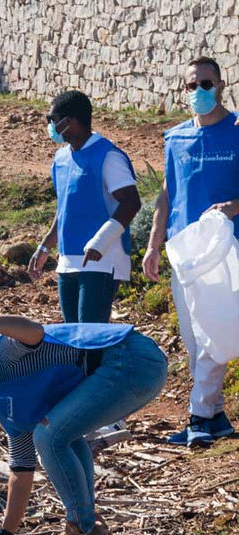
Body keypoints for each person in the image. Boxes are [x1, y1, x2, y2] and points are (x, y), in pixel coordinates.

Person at [0, 298, 167, 535]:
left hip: (128, 359)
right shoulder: (10, 411)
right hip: (134, 368)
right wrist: (5, 533)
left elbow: (34, 333)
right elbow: (21, 472)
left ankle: (83, 528)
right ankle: (88, 523)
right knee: (63, 436)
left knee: (49, 436)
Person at [143, 56, 239, 447]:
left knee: (212, 330)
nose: (198, 91)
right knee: (193, 338)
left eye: (206, 83)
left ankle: (198, 417)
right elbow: (166, 194)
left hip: (224, 250)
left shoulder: (237, 131)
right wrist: (153, 243)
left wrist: (233, 207)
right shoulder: (175, 138)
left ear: (220, 85)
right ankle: (216, 417)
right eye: (191, 85)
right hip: (183, 251)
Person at [28, 90, 141, 323]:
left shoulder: (108, 156)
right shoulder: (61, 159)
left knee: (90, 338)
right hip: (68, 262)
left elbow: (131, 202)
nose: (50, 126)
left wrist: (101, 241)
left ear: (69, 121)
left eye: (52, 120)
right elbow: (65, 209)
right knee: (72, 336)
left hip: (101, 261)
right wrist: (45, 247)